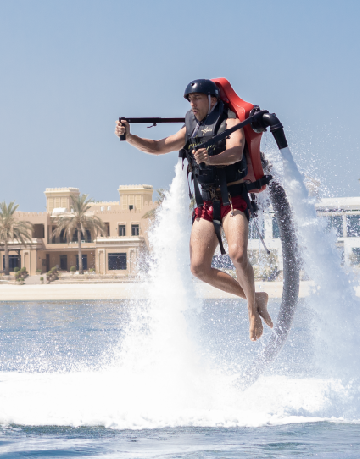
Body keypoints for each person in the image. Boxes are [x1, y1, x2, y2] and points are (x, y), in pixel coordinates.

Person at [116, 79, 274, 341]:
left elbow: (235, 152)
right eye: (189, 100)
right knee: (198, 268)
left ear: (212, 100)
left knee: (237, 255)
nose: (192, 104)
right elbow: (158, 146)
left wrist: (210, 158)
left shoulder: (230, 121)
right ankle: (255, 297)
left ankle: (251, 312)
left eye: (197, 98)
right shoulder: (190, 126)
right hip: (206, 204)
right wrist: (130, 137)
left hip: (233, 199)